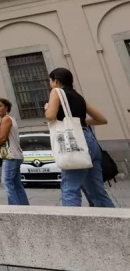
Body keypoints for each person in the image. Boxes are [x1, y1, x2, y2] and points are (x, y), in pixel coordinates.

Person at [44, 67, 115, 208]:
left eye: (50, 81)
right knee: (96, 190)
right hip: (90, 140)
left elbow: (50, 116)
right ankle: (116, 223)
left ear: (56, 81)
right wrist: (80, 121)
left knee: (70, 188)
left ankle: (72, 226)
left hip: (74, 142)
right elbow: (102, 119)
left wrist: (47, 107)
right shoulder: (78, 96)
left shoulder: (56, 91)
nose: (50, 84)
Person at [0, 98, 29, 205]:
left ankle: (14, 209)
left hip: (11, 156)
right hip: (16, 155)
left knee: (6, 182)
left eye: (0, 106)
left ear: (6, 107)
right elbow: (4, 138)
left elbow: (3, 138)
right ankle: (24, 208)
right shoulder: (9, 119)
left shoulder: (6, 119)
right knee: (16, 184)